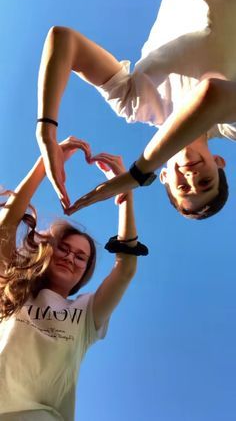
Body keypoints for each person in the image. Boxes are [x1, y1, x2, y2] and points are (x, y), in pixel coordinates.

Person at [36, 0, 236, 219]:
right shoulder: (229, 126)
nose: (192, 177)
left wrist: (46, 131)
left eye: (183, 188)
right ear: (219, 161)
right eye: (205, 182)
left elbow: (64, 40)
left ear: (164, 177)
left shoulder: (134, 103)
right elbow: (209, 93)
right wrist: (138, 173)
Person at [0, 136, 147, 420]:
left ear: (85, 272)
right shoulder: (15, 290)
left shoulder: (86, 312)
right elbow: (6, 225)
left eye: (81, 257)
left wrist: (125, 190)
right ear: (48, 252)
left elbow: (125, 268)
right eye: (64, 249)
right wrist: (46, 162)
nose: (70, 257)